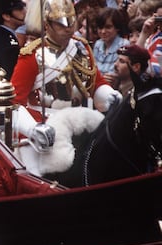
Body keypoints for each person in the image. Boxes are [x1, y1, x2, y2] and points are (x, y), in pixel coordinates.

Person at [10, 0, 122, 152]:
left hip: (85, 125)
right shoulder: (31, 56)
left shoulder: (82, 47)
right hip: (48, 129)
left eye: (71, 22)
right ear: (47, 24)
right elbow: (15, 102)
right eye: (61, 23)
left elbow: (94, 81)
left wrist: (108, 94)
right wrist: (32, 129)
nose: (68, 28)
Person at [93, 7, 129, 87]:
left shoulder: (124, 45)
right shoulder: (98, 44)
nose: (103, 31)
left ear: (117, 28)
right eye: (100, 27)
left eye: (108, 27)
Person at [136, 3, 162, 78]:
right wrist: (144, 33)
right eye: (159, 18)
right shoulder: (154, 39)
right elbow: (135, 57)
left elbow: (158, 70)